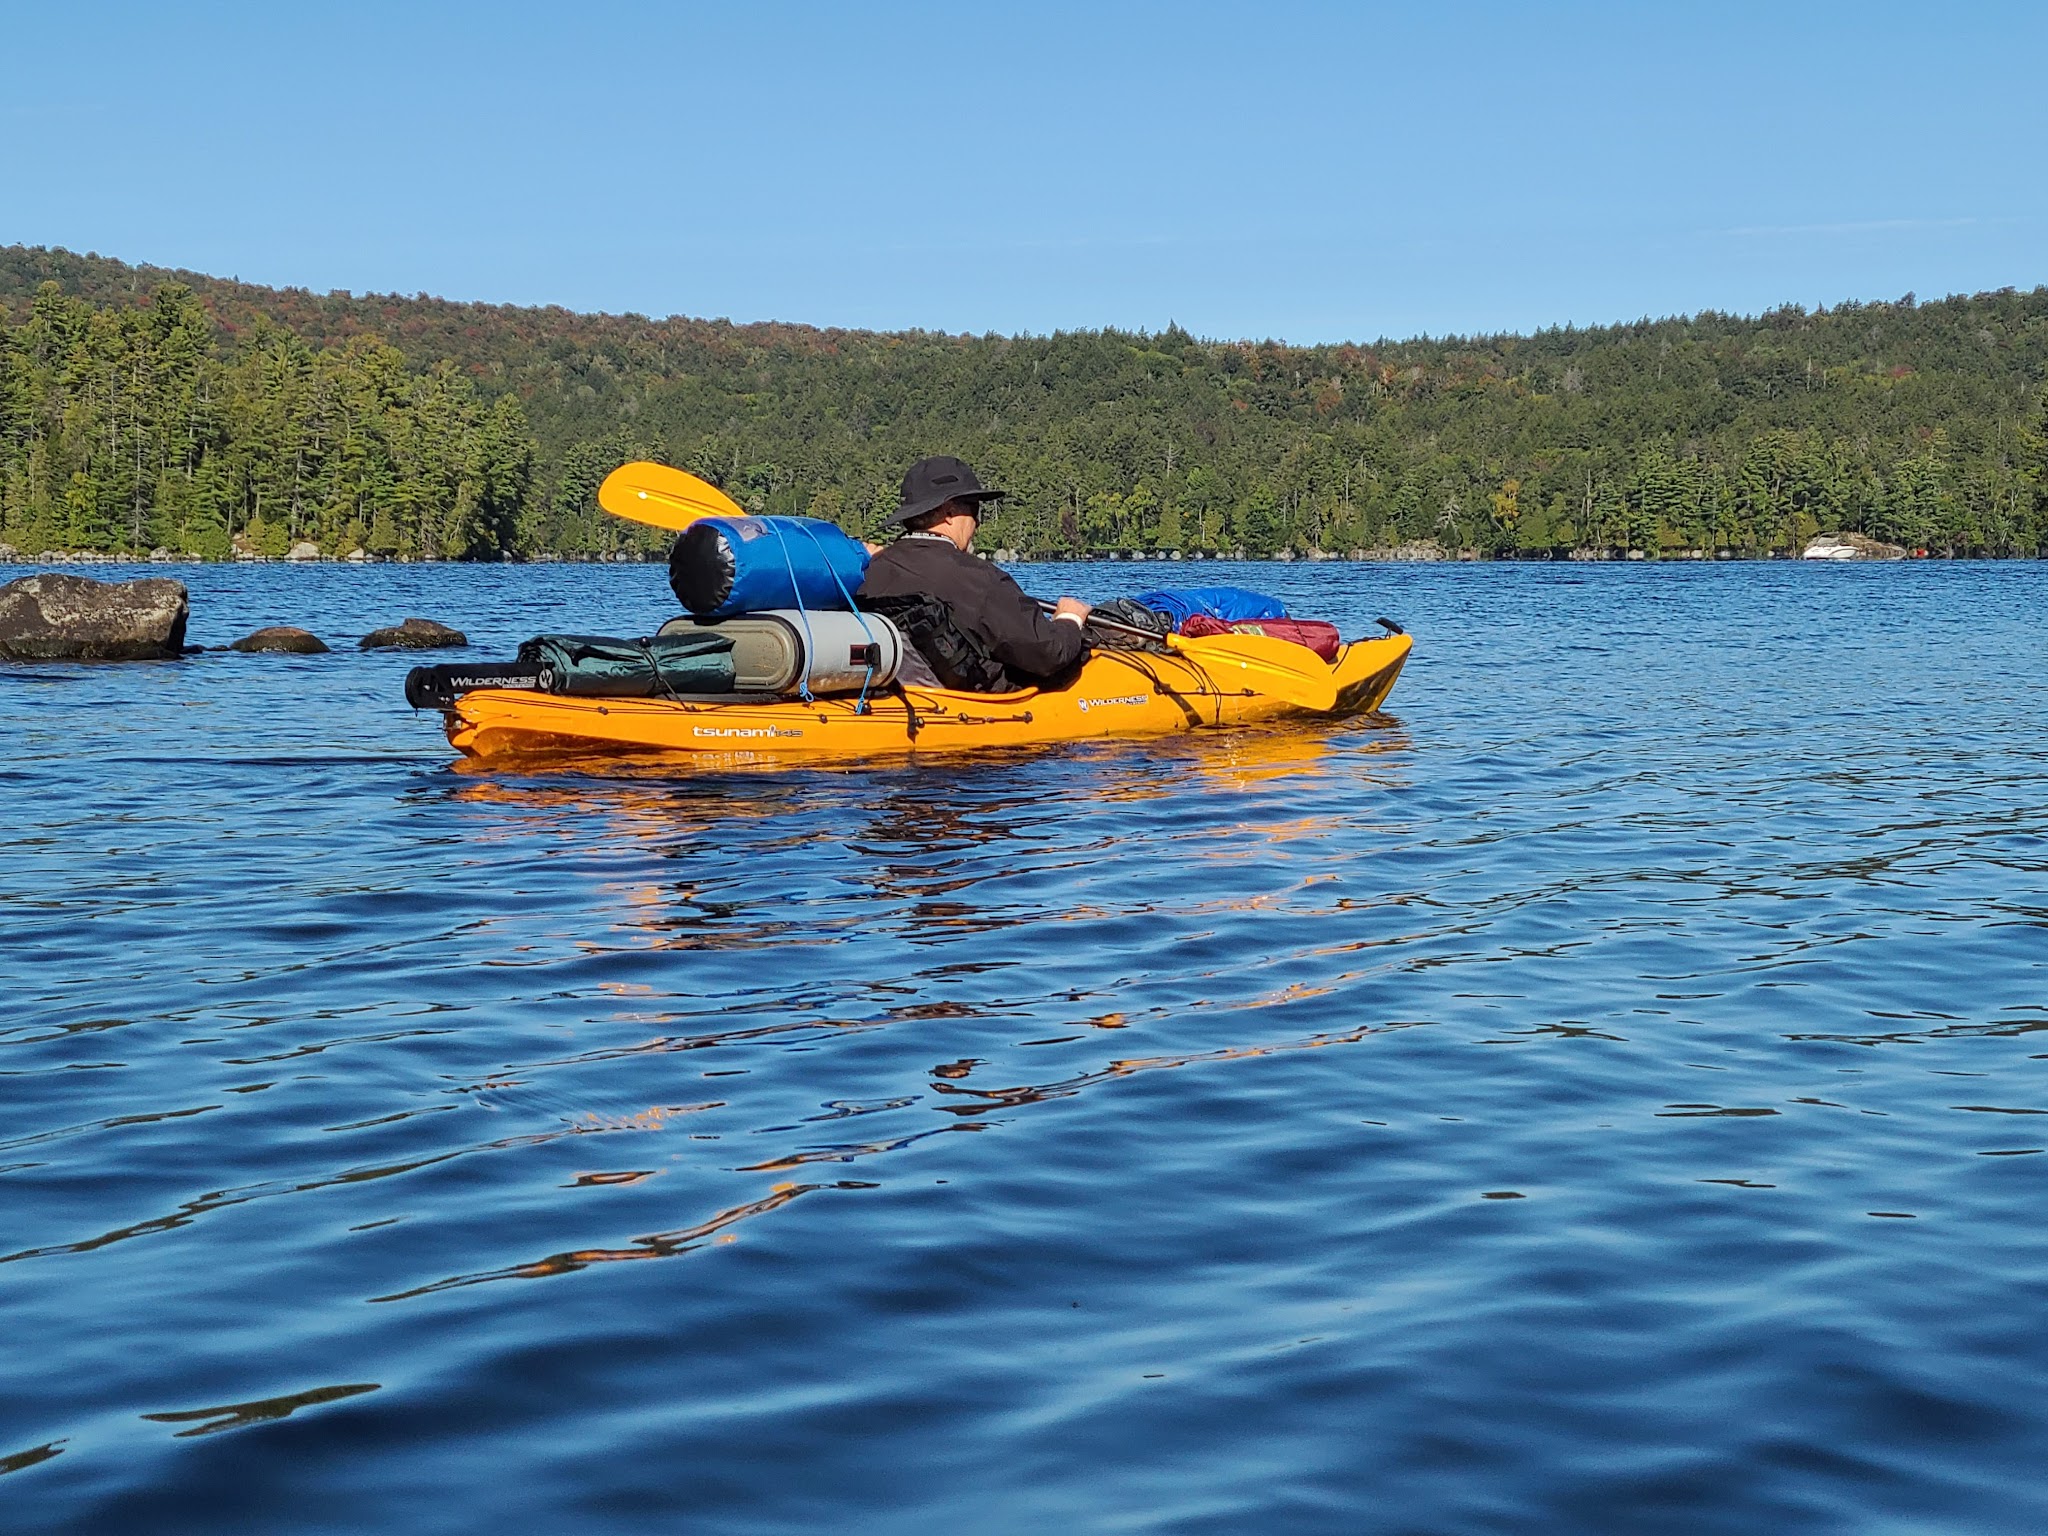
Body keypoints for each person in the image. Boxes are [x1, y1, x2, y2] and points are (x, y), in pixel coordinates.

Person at [859, 455, 1093, 691]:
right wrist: (1069, 620)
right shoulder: (977, 577)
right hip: (974, 705)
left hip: (903, 693)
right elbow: (1048, 653)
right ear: (949, 513)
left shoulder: (870, 568)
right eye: (974, 510)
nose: (977, 522)